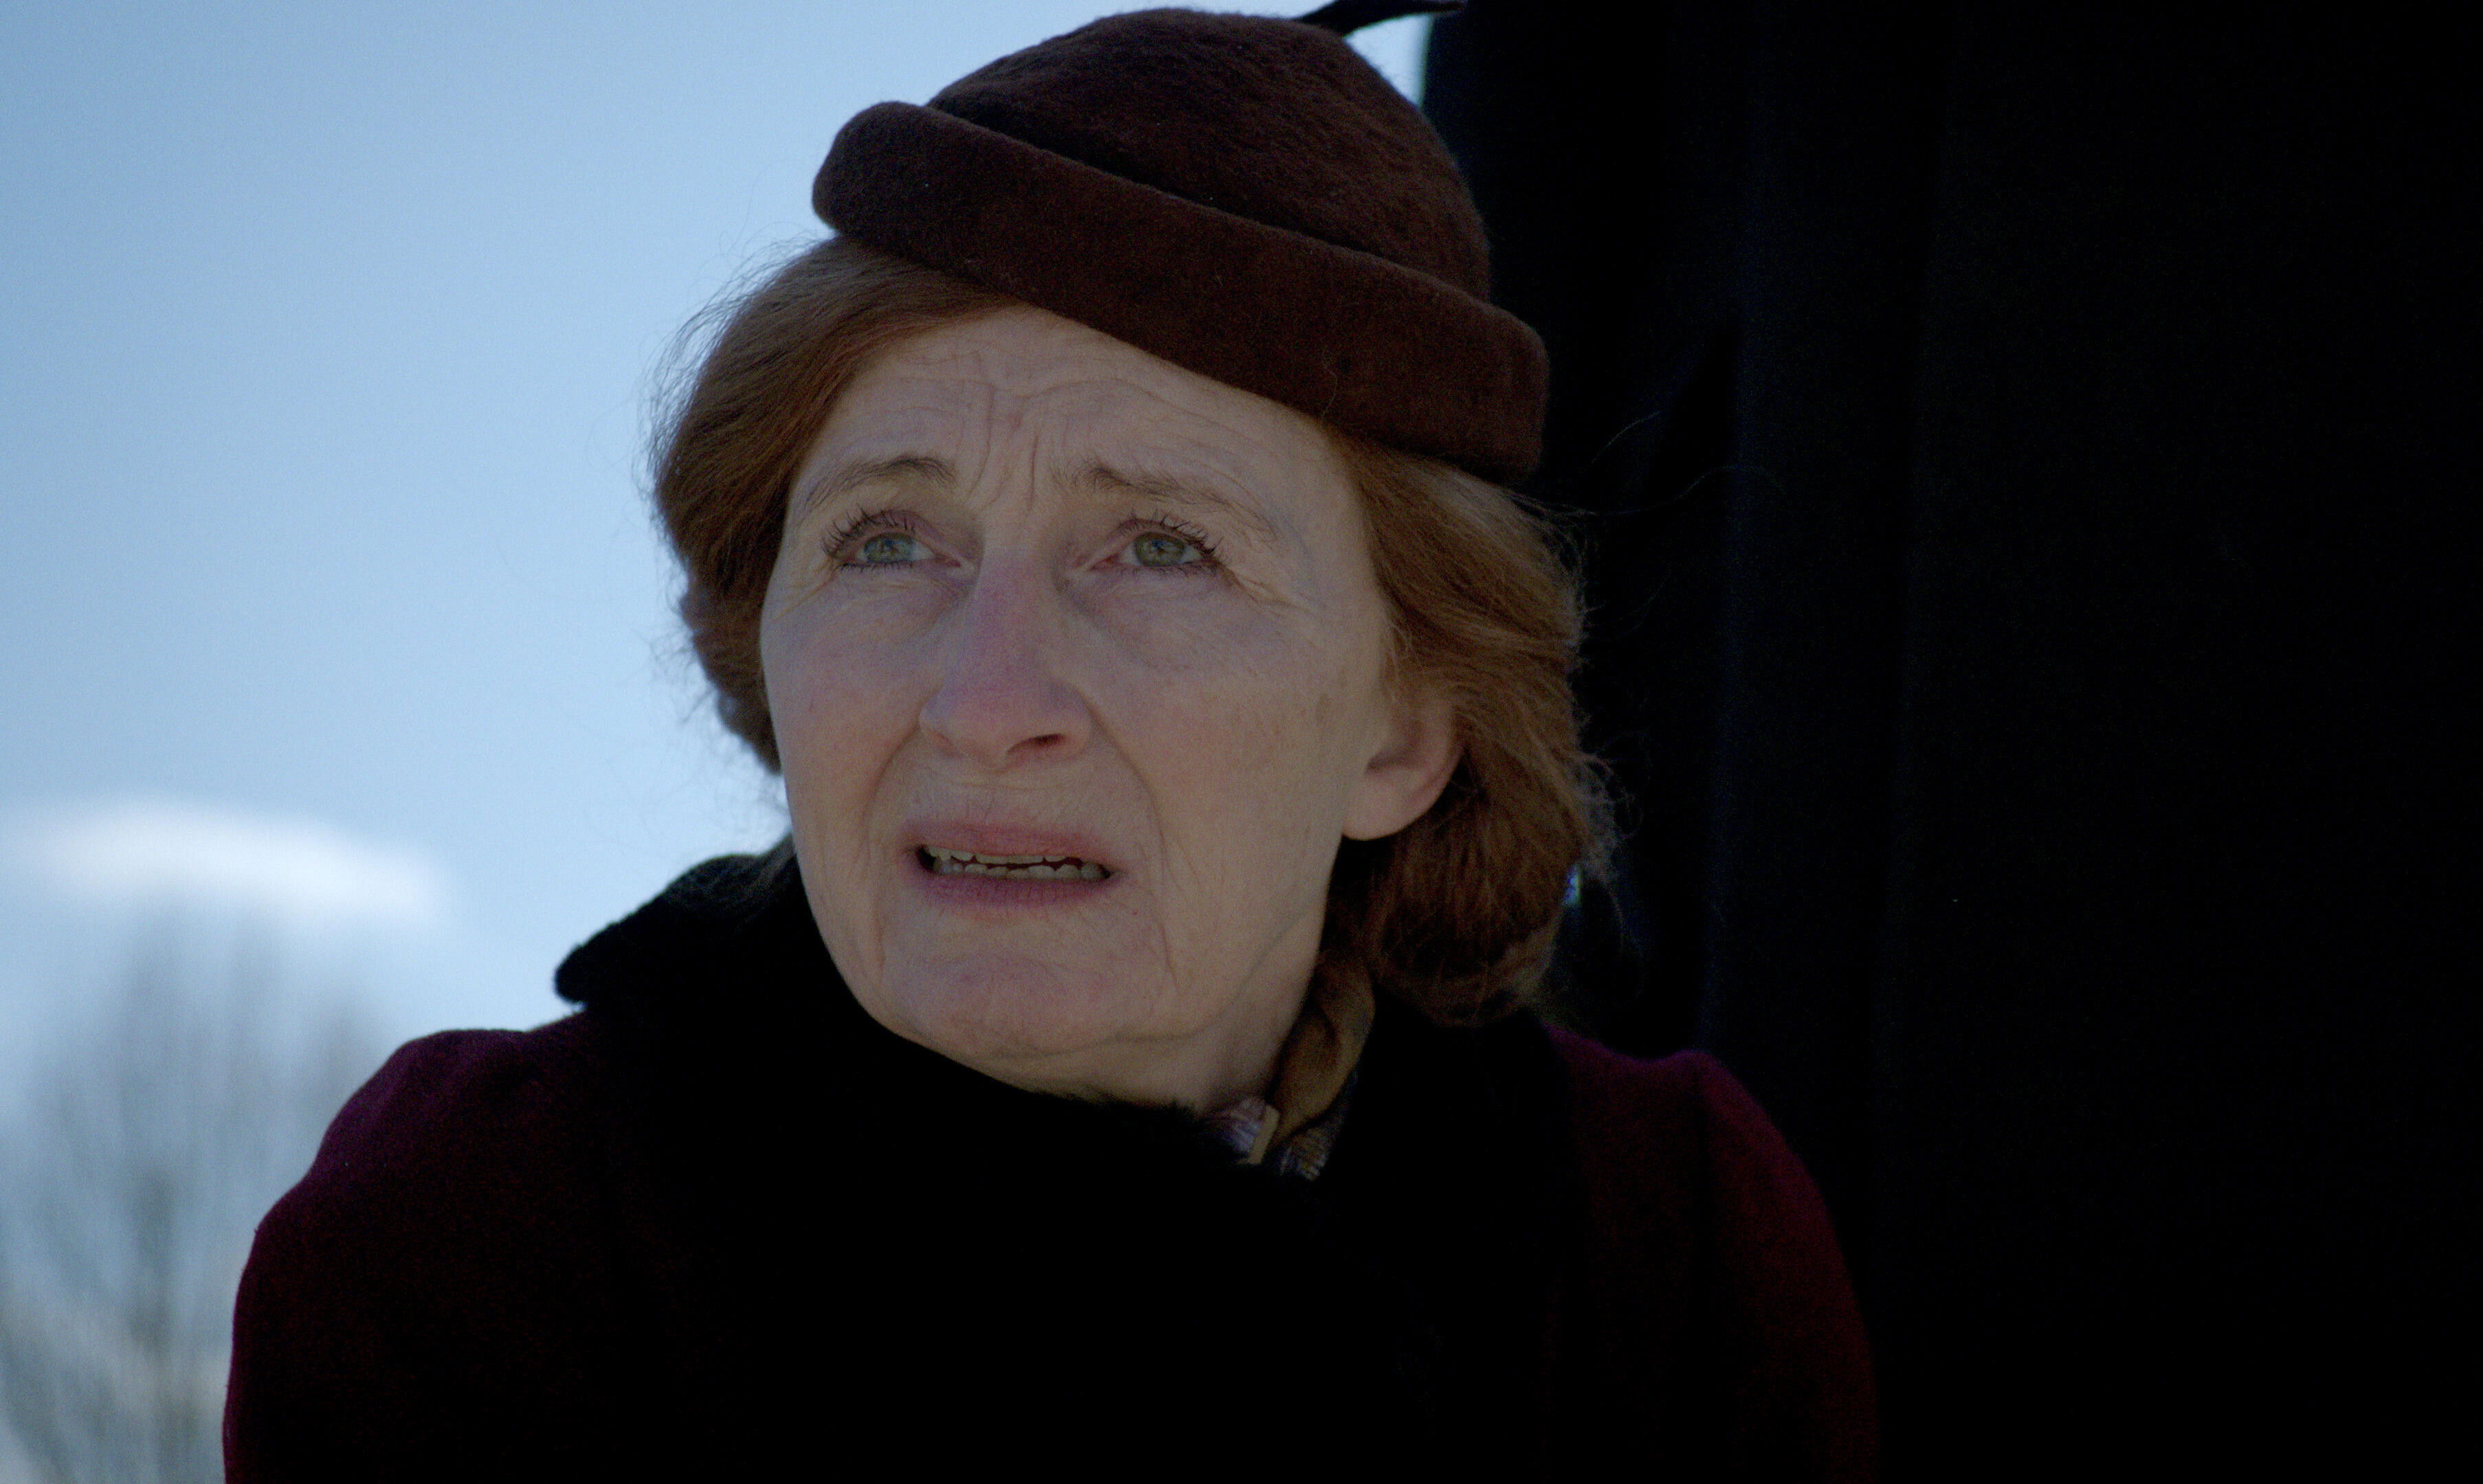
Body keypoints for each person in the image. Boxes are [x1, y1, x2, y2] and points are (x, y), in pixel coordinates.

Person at [223, 7, 1876, 1479]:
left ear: (1406, 730)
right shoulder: (479, 1235)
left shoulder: (1668, 1247)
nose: (982, 701)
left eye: (1161, 548)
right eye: (886, 542)